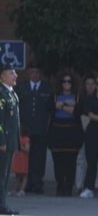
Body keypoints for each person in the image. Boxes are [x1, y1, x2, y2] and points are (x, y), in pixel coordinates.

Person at [17, 62, 53, 194]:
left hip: (41, 129)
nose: (35, 74)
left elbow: (51, 110)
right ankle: (26, 184)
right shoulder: (22, 88)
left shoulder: (47, 88)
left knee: (39, 157)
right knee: (25, 158)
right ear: (28, 73)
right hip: (26, 129)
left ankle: (38, 183)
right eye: (32, 72)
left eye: (37, 72)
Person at [48, 74, 83, 196]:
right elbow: (50, 108)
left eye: (69, 81)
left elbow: (76, 111)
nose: (66, 83)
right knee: (58, 161)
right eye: (64, 81)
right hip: (57, 131)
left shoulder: (77, 96)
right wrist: (68, 105)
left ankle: (68, 187)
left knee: (71, 162)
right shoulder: (55, 96)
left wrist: (61, 105)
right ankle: (60, 185)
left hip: (72, 131)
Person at [0, 63, 21, 215]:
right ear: (2, 76)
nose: (15, 76)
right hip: (3, 142)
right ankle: (2, 204)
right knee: (1, 175)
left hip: (11, 141)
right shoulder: (1, 93)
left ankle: (3, 203)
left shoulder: (12, 93)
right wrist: (1, 141)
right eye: (11, 73)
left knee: (6, 175)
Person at [11, 129, 30, 197]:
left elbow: (27, 150)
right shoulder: (18, 139)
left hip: (23, 159)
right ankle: (14, 189)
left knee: (24, 175)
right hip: (18, 159)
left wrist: (21, 147)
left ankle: (22, 190)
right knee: (17, 175)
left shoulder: (26, 139)